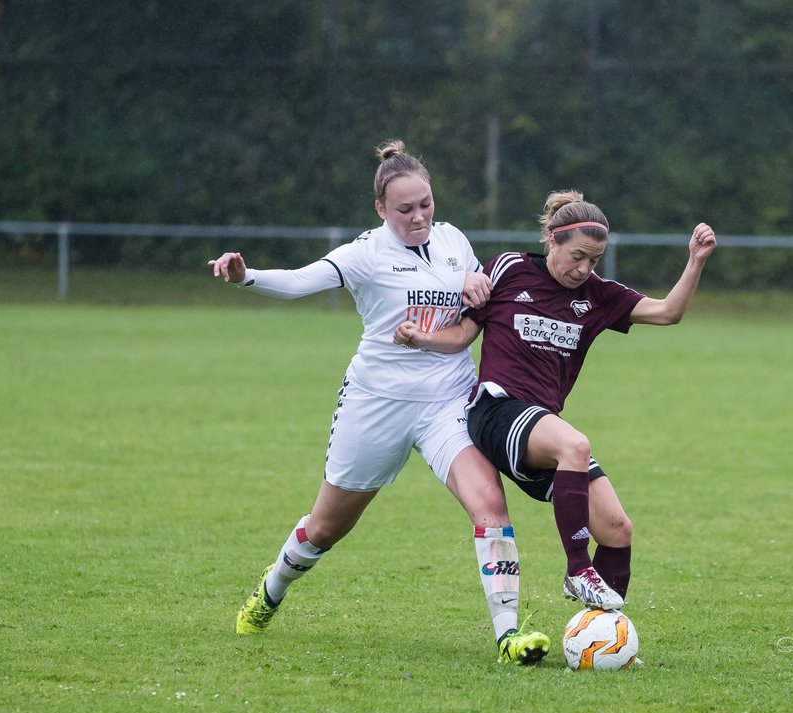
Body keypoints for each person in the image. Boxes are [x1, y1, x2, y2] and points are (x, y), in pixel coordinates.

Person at [207, 140, 550, 665]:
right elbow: (301, 282)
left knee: (490, 504)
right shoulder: (364, 253)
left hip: (448, 402)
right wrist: (246, 276)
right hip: (377, 403)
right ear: (380, 209)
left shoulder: (455, 240)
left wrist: (479, 286)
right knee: (326, 527)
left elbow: (474, 309)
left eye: (426, 204)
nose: (419, 217)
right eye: (405, 209)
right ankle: (271, 590)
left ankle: (507, 636)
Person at [394, 190, 717, 611]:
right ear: (552, 240)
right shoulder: (509, 270)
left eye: (594, 260)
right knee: (575, 444)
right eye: (578, 256)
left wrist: (695, 260)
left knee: (618, 529)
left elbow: (667, 312)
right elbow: (462, 335)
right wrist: (420, 339)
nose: (584, 269)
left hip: (541, 425)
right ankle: (577, 569)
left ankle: (602, 634)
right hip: (495, 410)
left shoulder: (598, 296)